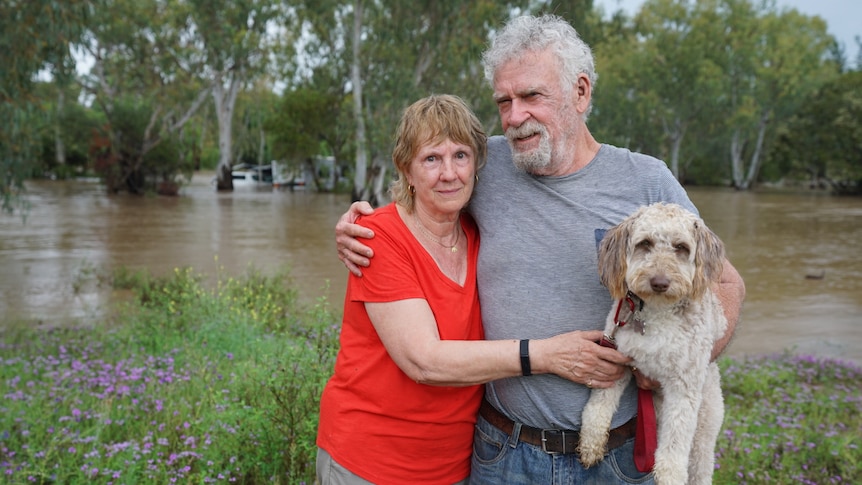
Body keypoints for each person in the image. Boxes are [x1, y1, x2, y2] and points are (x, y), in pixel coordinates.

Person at [335, 15, 746, 485]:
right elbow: (423, 196)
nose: (513, 117)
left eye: (531, 96)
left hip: (616, 454)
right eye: (503, 101)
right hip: (503, 450)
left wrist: (689, 361)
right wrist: (361, 222)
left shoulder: (645, 180)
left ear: (581, 92)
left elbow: (726, 281)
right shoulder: (484, 166)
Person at [316, 94, 630, 485]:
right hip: (370, 462)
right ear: (406, 170)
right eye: (431, 159)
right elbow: (424, 361)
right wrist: (547, 354)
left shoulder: (476, 233)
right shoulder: (377, 238)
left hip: (457, 463)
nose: (449, 173)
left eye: (461, 156)